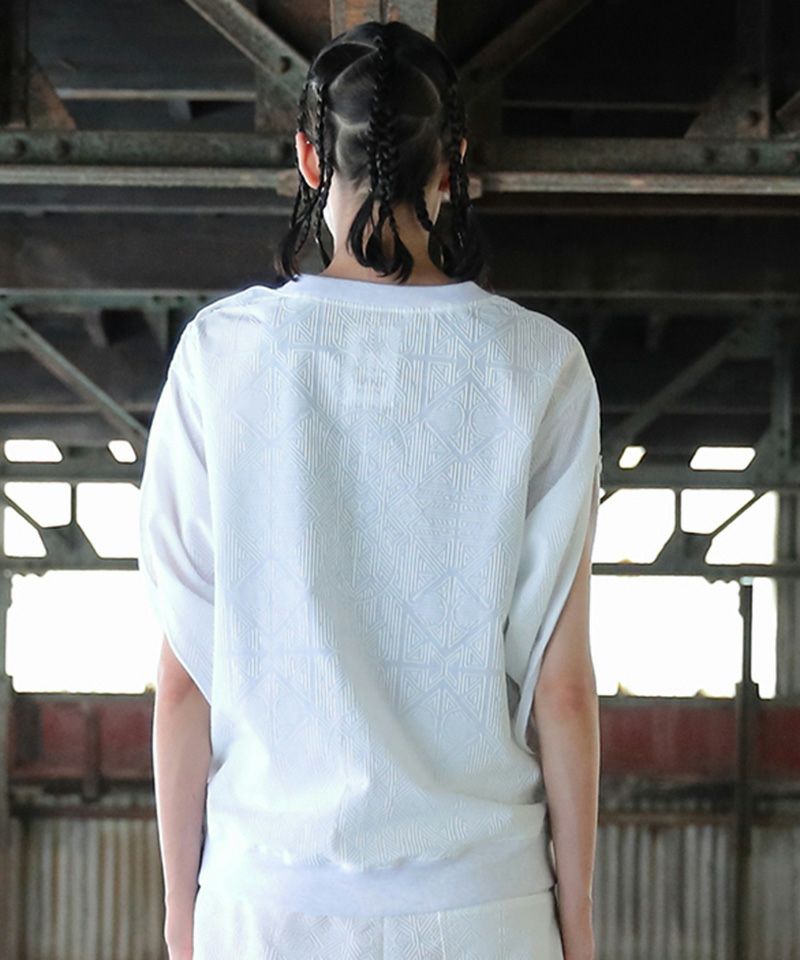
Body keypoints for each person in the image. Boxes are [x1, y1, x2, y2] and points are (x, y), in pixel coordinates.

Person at [139, 18, 602, 960]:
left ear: (311, 158)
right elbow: (562, 691)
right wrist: (579, 920)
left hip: (266, 901)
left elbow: (184, 682)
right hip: (483, 904)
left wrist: (182, 914)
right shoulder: (541, 365)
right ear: (453, 165)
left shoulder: (222, 355)